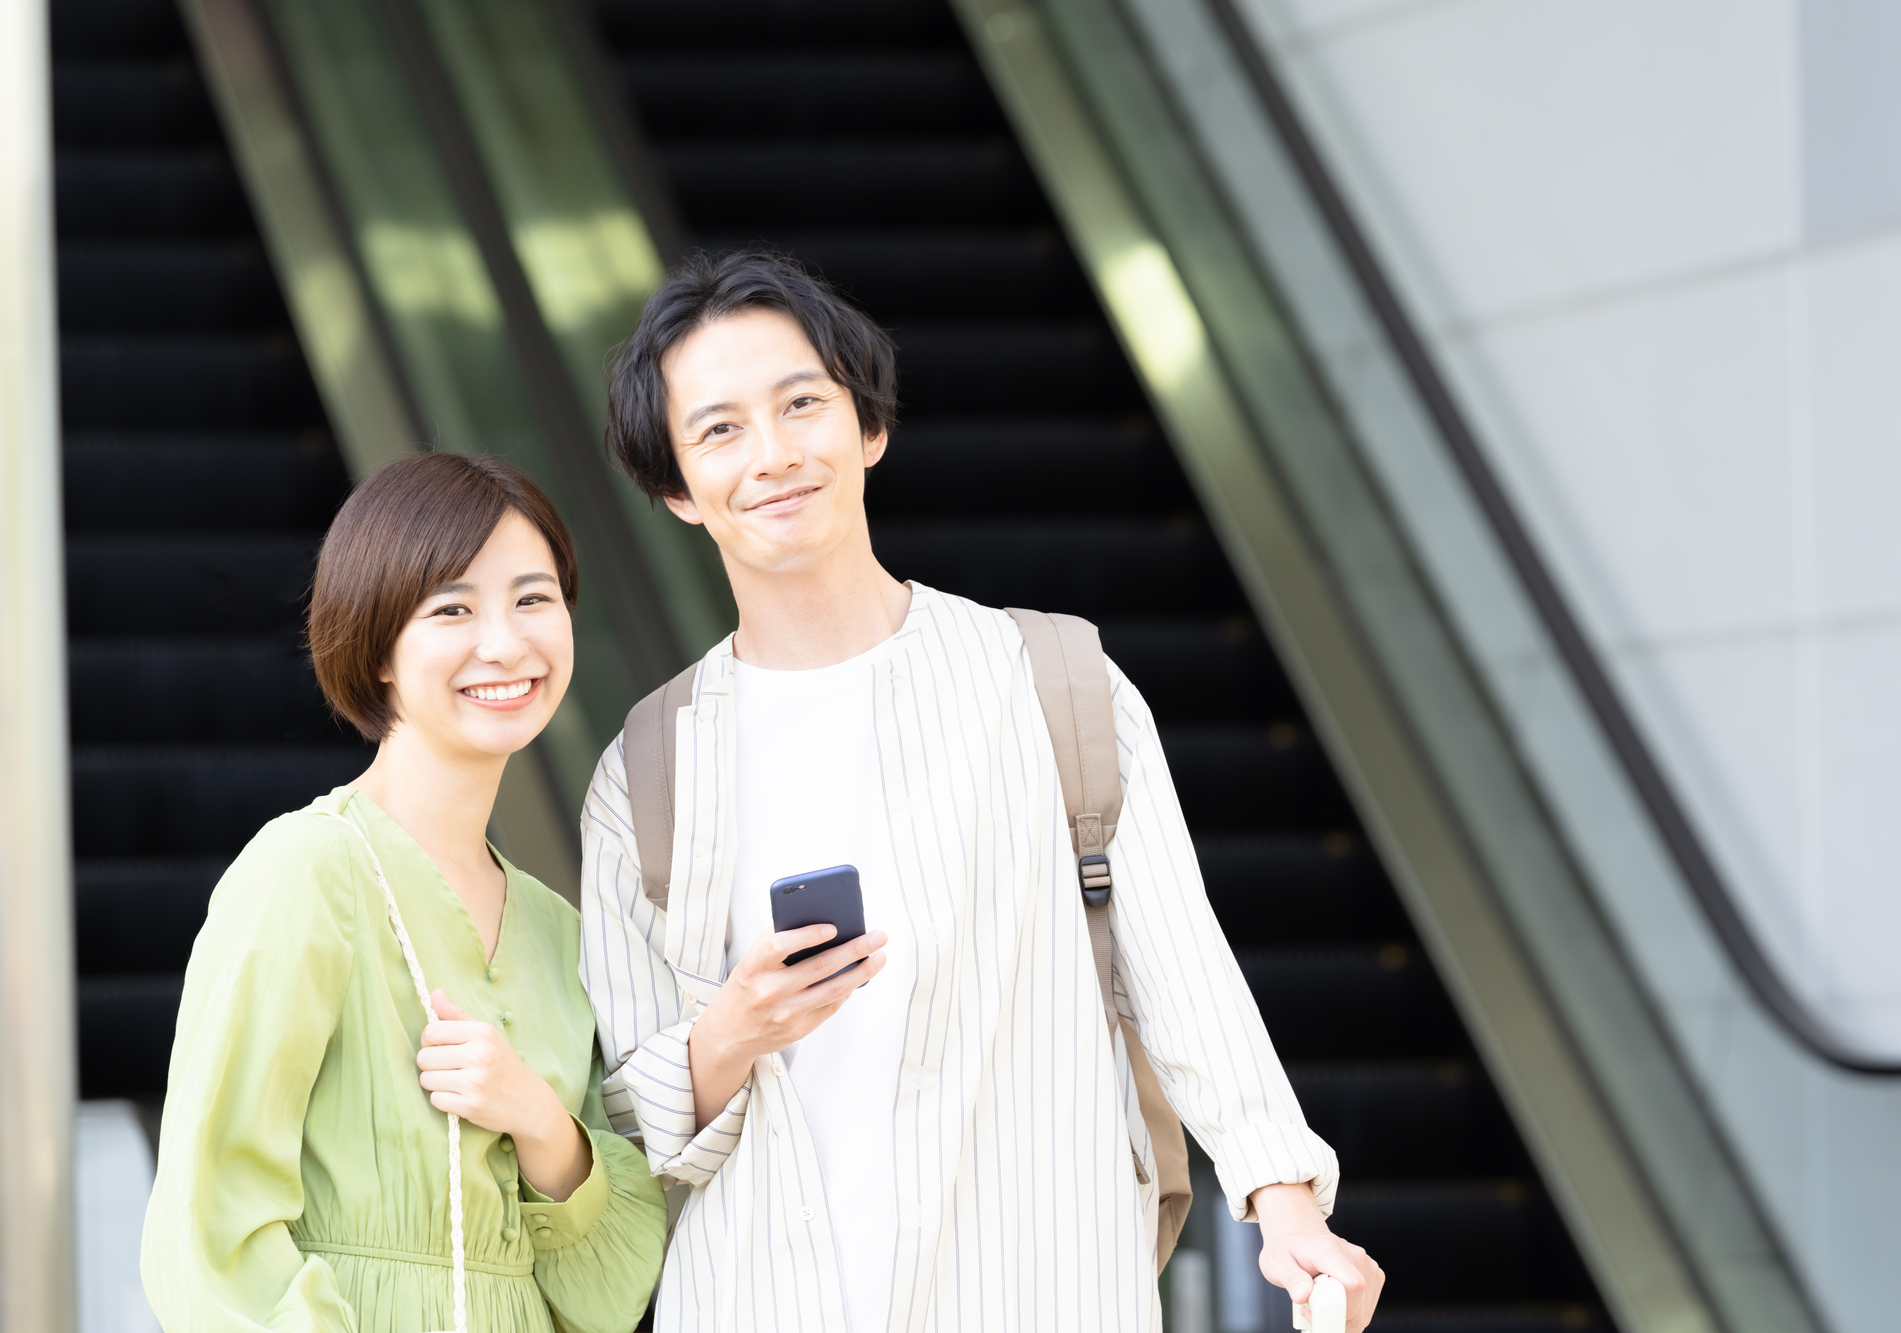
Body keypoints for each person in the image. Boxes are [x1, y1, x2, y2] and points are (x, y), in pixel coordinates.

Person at [580, 249, 1387, 1331]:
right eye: (718, 429)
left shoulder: (1054, 684)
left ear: (867, 427)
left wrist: (1283, 1204)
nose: (771, 454)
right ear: (677, 489)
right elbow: (620, 1116)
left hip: (1037, 1281)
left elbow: (1179, 969)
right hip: (762, 1292)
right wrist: (732, 1027)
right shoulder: (646, 770)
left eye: (801, 404)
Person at [141, 453, 667, 1332]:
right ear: (378, 645)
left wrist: (540, 1120)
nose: (504, 642)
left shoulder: (557, 928)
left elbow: (604, 1295)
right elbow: (210, 1238)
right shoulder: (305, 869)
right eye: (452, 608)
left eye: (533, 599)